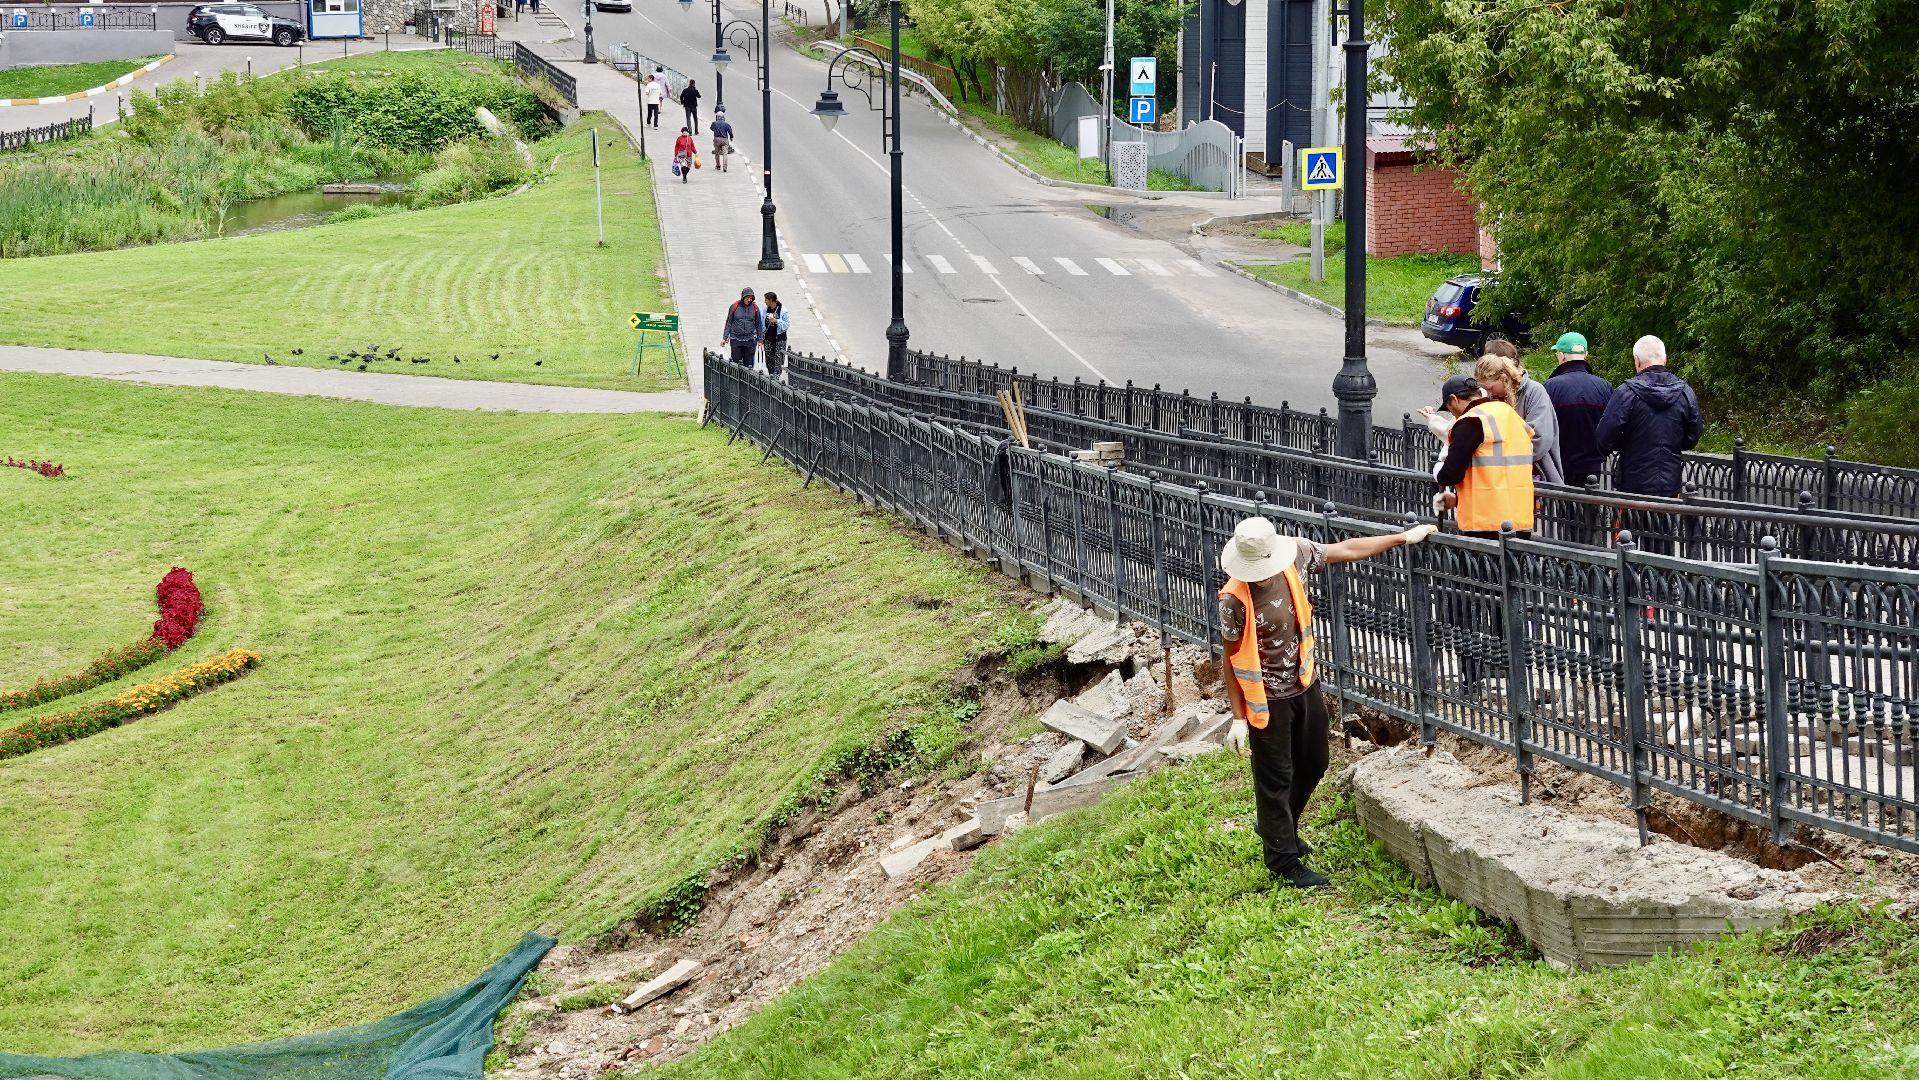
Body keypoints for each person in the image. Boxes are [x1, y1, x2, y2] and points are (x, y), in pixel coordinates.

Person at [1217, 515, 1437, 888]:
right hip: (1266, 698)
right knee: (1275, 778)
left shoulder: (1297, 557)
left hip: (1304, 682)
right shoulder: (1233, 599)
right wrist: (1238, 718)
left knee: (1316, 761)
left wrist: (1402, 538)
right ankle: (1283, 861)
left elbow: (1347, 549)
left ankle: (1276, 824)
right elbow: (1230, 657)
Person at [1593, 334, 1704, 498]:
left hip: (1632, 485)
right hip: (1669, 485)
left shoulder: (1626, 392)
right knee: (1665, 523)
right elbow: (1693, 436)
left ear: (1637, 360)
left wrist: (1626, 444)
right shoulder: (1685, 392)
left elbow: (1603, 437)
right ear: (1665, 359)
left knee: (1631, 524)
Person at [1429, 373, 1536, 539]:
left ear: (1454, 399)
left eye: (1450, 409)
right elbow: (1499, 473)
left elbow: (1450, 474)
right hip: (1521, 521)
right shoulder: (1509, 413)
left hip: (1485, 524)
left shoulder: (1470, 421)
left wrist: (1438, 473)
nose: (1454, 415)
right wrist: (1458, 500)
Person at [1476, 343, 1562, 485]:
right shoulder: (1491, 396)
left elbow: (1539, 439)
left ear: (1503, 377)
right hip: (1500, 479)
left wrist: (1502, 460)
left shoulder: (1534, 392)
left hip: (1538, 477)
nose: (1489, 393)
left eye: (1491, 387)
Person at [1542, 331, 1614, 487]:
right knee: (1590, 507)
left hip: (1561, 465)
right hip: (1593, 467)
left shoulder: (1549, 387)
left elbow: (1544, 428)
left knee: (1565, 509)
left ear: (1561, 355)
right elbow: (1611, 426)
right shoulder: (1604, 387)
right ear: (1586, 354)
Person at [720, 287, 765, 366]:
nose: (749, 300)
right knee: (736, 363)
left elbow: (759, 324)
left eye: (751, 298)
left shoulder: (755, 308)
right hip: (736, 340)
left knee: (749, 364)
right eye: (747, 297)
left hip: (750, 340)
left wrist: (760, 340)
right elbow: (729, 322)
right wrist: (725, 337)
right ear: (743, 297)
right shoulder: (734, 306)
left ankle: (747, 378)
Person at [761, 290, 791, 377]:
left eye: (766, 300)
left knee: (778, 361)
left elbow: (787, 325)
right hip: (768, 339)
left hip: (779, 339)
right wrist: (763, 335)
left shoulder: (783, 310)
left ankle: (776, 379)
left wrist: (776, 321)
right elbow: (763, 323)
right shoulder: (765, 310)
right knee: (769, 360)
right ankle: (771, 376)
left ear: (771, 300)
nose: (765, 301)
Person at [710, 107, 734, 173]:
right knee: (725, 154)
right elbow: (730, 131)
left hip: (717, 139)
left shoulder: (714, 123)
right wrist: (731, 137)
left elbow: (711, 128)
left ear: (717, 117)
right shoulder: (726, 124)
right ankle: (725, 167)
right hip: (724, 139)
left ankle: (718, 165)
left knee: (717, 153)